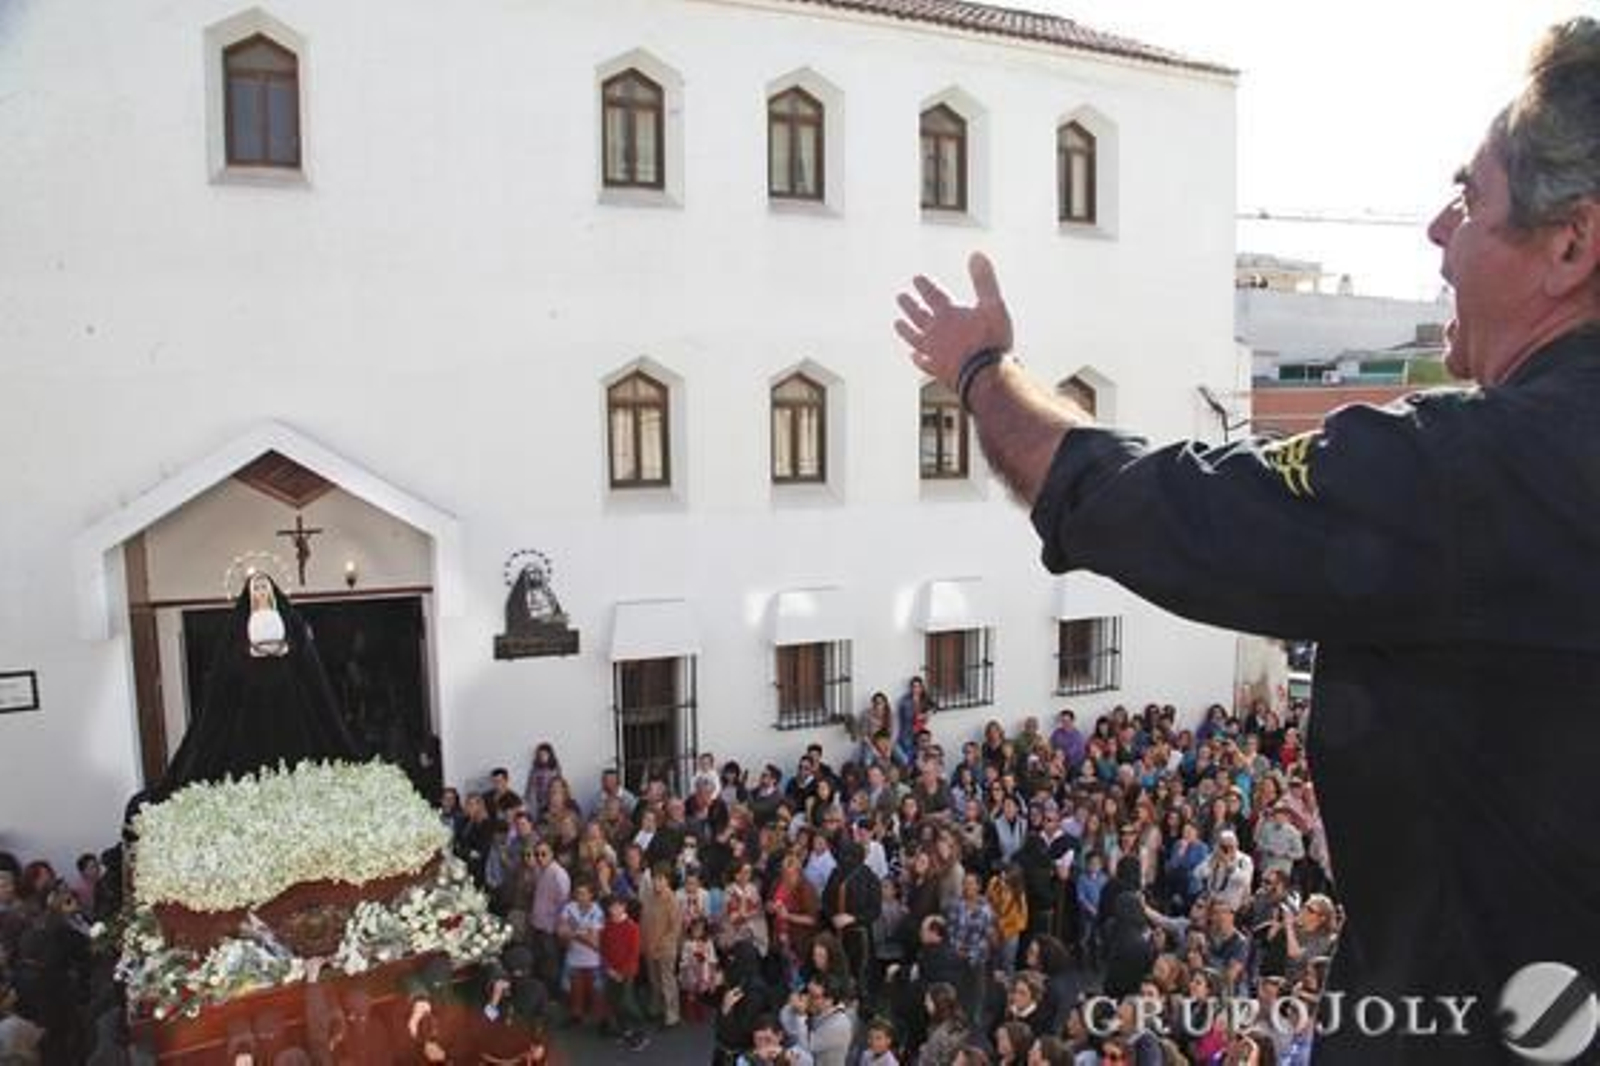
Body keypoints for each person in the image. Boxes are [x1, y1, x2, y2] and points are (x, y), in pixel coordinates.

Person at [894, 20, 1600, 1060]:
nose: (1436, 233)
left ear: (1571, 244)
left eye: (1471, 197)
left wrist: (980, 372)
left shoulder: (1464, 479)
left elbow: (1158, 506)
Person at [160, 573, 360, 792]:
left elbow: (299, 651)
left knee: (291, 733)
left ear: (272, 590)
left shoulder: (287, 618)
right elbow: (231, 658)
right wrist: (251, 652)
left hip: (285, 689)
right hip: (253, 692)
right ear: (250, 593)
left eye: (264, 587)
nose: (261, 591)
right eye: (256, 588)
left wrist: (284, 648)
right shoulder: (240, 623)